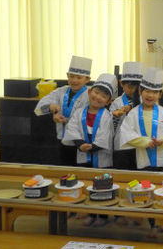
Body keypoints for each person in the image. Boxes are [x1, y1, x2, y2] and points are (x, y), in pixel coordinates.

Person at [119, 67, 163, 237]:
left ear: (160, 94)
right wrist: (145, 142)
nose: (150, 95)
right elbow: (126, 133)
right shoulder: (132, 113)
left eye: (155, 91)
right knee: (147, 191)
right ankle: (151, 223)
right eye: (146, 90)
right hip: (144, 160)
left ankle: (160, 221)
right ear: (140, 91)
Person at [62, 73, 116, 227]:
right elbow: (72, 129)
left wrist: (93, 146)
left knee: (103, 185)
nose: (98, 97)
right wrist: (80, 144)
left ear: (108, 101)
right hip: (83, 155)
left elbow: (106, 135)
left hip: (101, 157)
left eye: (104, 96)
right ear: (89, 91)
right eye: (96, 92)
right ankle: (91, 213)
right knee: (87, 184)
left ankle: (103, 216)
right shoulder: (79, 113)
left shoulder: (106, 116)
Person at [34, 55, 92, 166]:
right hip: (62, 139)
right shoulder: (60, 91)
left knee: (81, 170)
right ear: (67, 76)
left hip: (81, 141)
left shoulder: (90, 94)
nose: (74, 80)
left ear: (87, 79)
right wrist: (52, 109)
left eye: (79, 77)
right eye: (71, 76)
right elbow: (39, 108)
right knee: (65, 168)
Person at [110, 62, 142, 170]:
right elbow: (109, 125)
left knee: (136, 173)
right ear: (121, 84)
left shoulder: (143, 102)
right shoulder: (117, 103)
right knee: (122, 171)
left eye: (136, 87)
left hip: (138, 145)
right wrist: (115, 115)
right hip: (121, 145)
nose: (133, 90)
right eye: (129, 86)